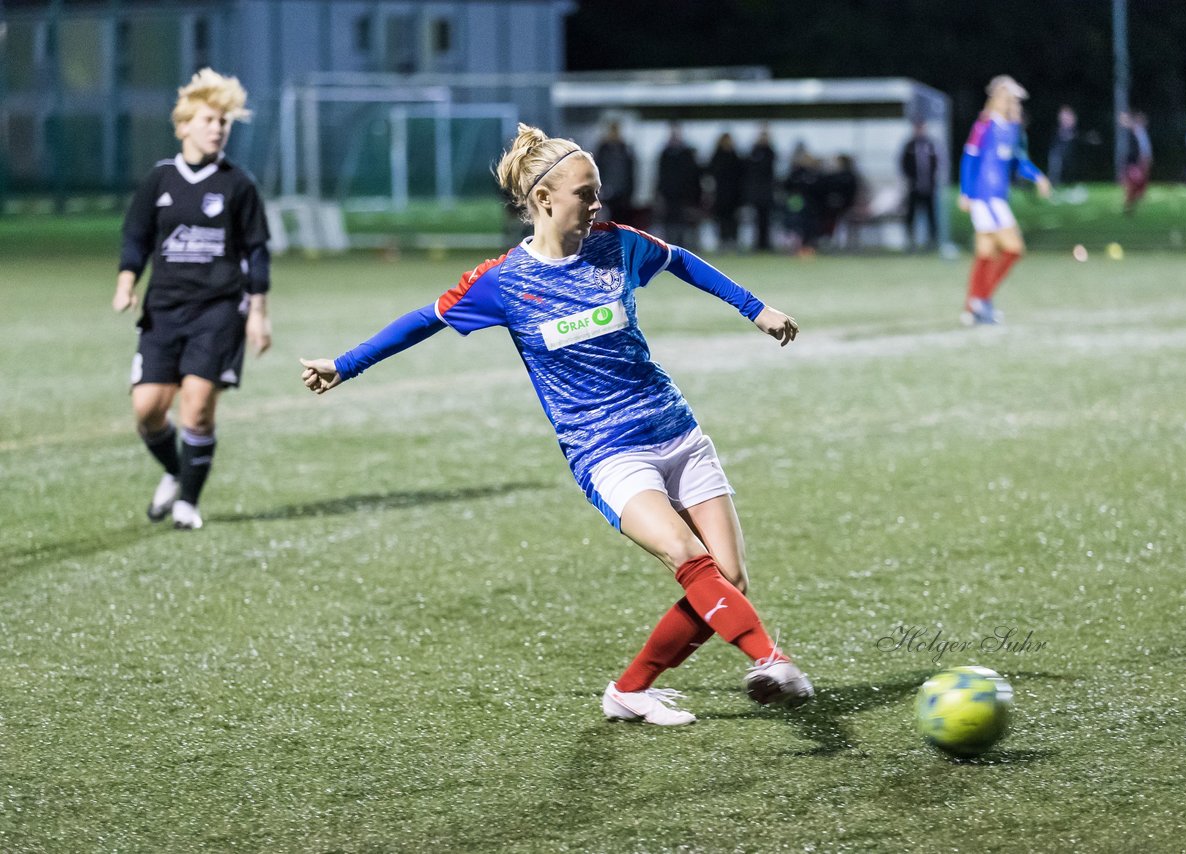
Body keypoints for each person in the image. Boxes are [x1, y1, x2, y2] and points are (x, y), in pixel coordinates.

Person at [299, 123, 812, 726]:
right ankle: (768, 658)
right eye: (585, 194)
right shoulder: (503, 282)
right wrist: (345, 365)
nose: (598, 204)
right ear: (543, 200)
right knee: (684, 554)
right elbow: (423, 320)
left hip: (675, 430)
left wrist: (756, 310)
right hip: (604, 449)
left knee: (729, 579)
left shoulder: (616, 243)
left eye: (597, 193)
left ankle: (628, 692)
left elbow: (683, 261)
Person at [113, 68, 271, 530]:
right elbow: (136, 237)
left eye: (223, 122)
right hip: (163, 310)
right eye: (207, 120)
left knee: (197, 407)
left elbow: (257, 251)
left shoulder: (238, 184)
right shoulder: (160, 180)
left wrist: (257, 314)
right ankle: (174, 471)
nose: (217, 129)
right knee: (147, 411)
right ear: (183, 126)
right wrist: (126, 282)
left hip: (219, 309)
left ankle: (189, 503)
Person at [957, 75, 1052, 325]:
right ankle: (982, 300)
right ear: (996, 98)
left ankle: (973, 307)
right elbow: (969, 159)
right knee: (1014, 249)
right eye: (1007, 97)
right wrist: (966, 192)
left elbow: (1019, 161)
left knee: (985, 253)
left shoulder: (1011, 129)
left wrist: (1038, 177)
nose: (1012, 103)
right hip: (985, 198)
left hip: (998, 197)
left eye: (1014, 99)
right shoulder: (983, 125)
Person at [655, 124, 702, 248]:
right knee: (670, 225)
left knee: (686, 224)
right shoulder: (664, 154)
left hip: (685, 197)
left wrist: (695, 197)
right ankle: (671, 248)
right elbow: (660, 176)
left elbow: (694, 177)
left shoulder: (687, 154)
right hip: (669, 196)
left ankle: (687, 249)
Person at [899, 120, 940, 251]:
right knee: (911, 215)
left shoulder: (930, 144)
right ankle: (910, 242)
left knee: (931, 215)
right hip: (914, 188)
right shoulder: (909, 145)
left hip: (929, 187)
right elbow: (903, 165)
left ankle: (932, 242)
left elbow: (937, 163)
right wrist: (910, 181)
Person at [706, 132, 744, 250]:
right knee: (721, 219)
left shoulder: (735, 156)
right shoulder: (717, 156)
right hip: (720, 193)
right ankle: (722, 241)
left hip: (734, 194)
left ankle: (733, 241)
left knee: (733, 219)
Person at [743, 125, 778, 251]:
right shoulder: (754, 151)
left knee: (767, 220)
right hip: (757, 192)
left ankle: (766, 243)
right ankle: (757, 244)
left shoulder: (770, 151)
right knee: (756, 220)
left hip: (767, 192)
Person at [594, 121, 636, 224]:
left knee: (622, 222)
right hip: (607, 193)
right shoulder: (603, 149)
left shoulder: (625, 149)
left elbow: (630, 172)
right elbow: (597, 169)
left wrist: (631, 190)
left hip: (623, 193)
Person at [1120, 110, 1153, 215]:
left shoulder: (1135, 132)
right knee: (1133, 182)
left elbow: (1141, 148)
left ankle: (1130, 203)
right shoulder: (1131, 132)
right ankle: (1128, 205)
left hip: (1134, 161)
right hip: (1131, 162)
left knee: (1137, 182)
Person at [1046, 105, 1078, 188]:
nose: (1064, 118)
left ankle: (1067, 184)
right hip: (1056, 152)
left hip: (1067, 153)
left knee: (1067, 170)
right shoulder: (1057, 129)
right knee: (1054, 169)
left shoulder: (1072, 130)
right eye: (1062, 116)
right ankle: (1052, 185)